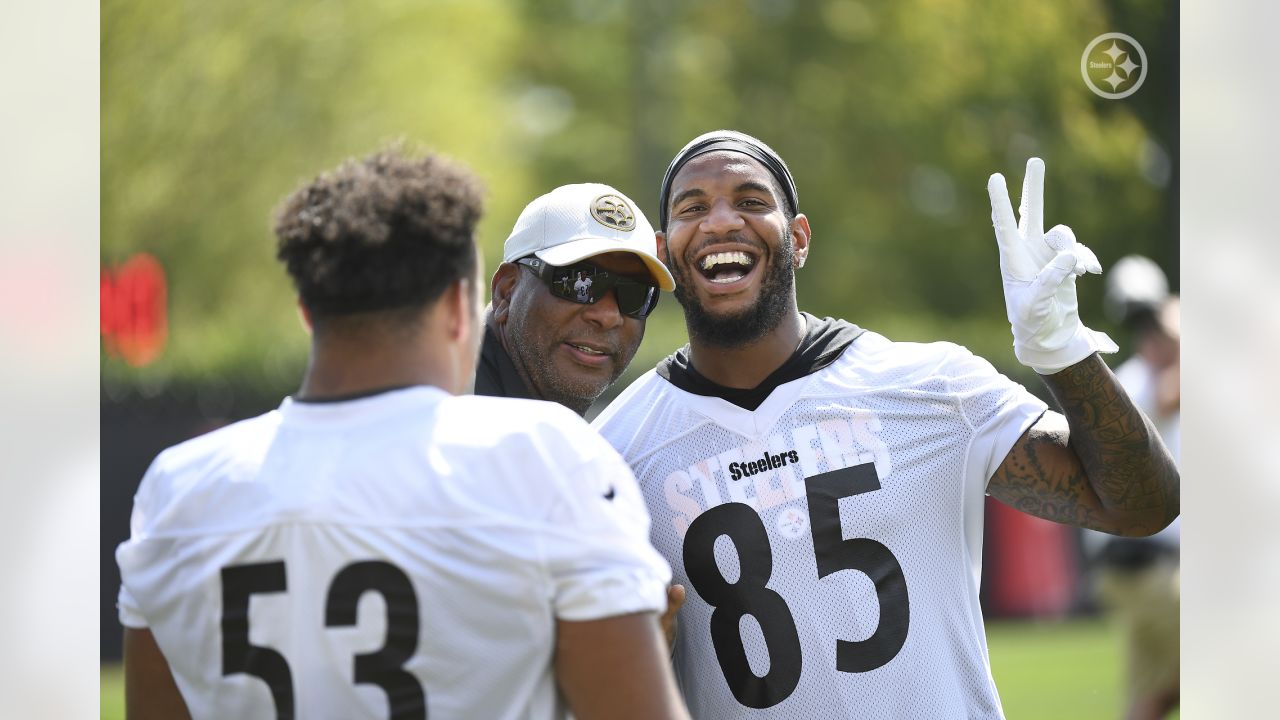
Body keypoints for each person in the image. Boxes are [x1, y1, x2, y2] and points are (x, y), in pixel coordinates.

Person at [593, 130, 1179, 718]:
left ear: (797, 239)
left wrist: (1064, 354)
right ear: (666, 252)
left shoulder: (932, 386)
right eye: (694, 207)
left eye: (750, 201)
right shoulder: (616, 450)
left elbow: (1143, 506)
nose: (721, 221)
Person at [115, 148, 690, 720]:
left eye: (634, 297)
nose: (609, 314)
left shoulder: (178, 488)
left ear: (307, 309)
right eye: (582, 282)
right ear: (468, 304)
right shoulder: (548, 458)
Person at [474, 183, 674, 416]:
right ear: (506, 291)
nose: (608, 315)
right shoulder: (449, 415)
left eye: (635, 294)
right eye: (577, 283)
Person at [1087, 256, 1181, 720]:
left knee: (1155, 694)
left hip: (1147, 570)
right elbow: (1168, 397)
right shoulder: (1135, 382)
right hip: (1143, 565)